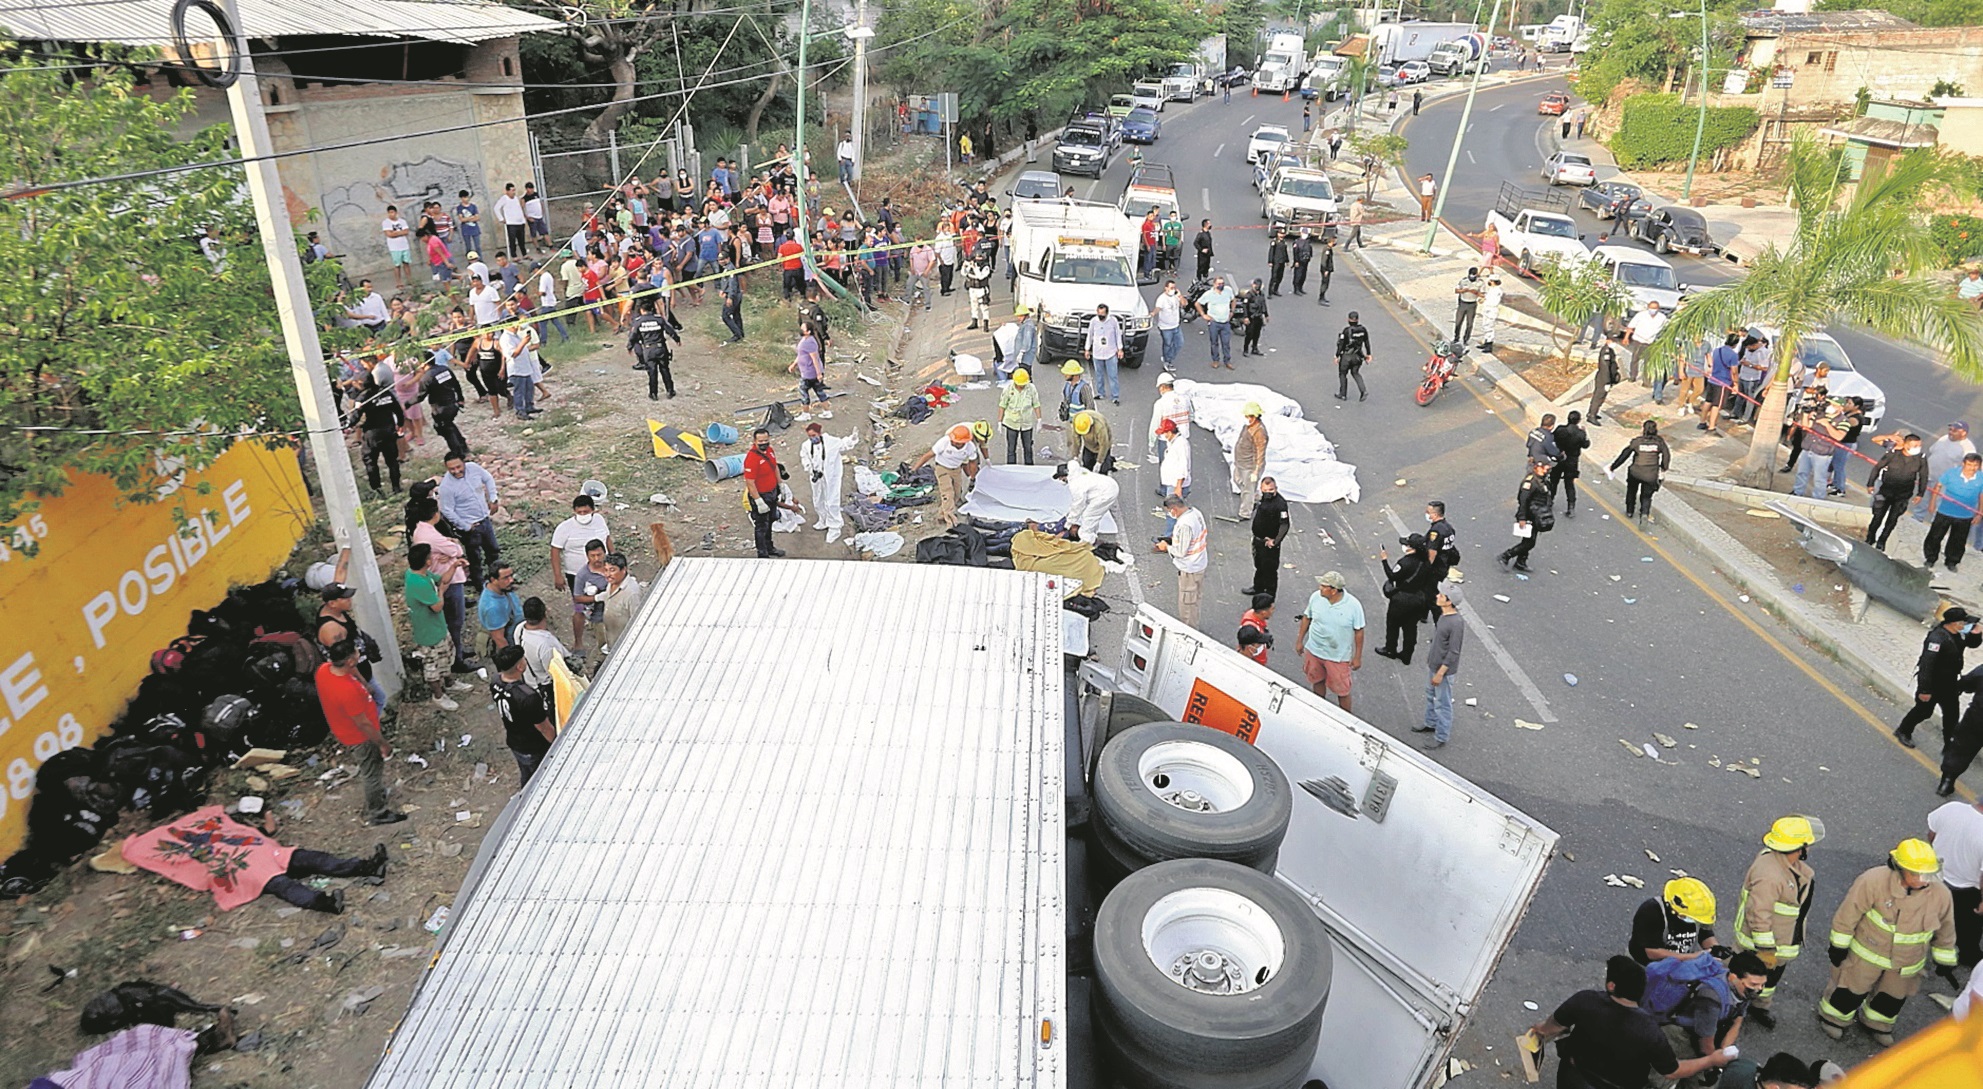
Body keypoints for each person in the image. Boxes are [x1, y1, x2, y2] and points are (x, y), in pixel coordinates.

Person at [1818, 839, 1959, 1047]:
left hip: (1906, 964)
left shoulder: (1940, 894)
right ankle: (1833, 1018)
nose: (1924, 880)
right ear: (1899, 868)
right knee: (1849, 990)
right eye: (1917, 874)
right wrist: (1839, 944)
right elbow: (1848, 914)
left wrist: (1944, 958)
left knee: (1890, 999)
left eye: (1927, 874)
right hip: (1866, 955)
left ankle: (1877, 1025)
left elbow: (1945, 929)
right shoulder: (1872, 881)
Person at [1527, 957, 1732, 1088]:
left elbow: (1551, 1027)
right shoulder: (1650, 1031)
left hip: (1575, 1078)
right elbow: (1672, 1071)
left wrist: (1539, 1030)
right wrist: (1711, 1061)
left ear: (1611, 985)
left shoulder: (1586, 1000)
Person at [1731, 816, 1823, 1030]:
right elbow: (1758, 915)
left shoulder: (1781, 864)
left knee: (1768, 982)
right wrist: (1766, 949)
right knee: (1748, 980)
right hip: (1761, 948)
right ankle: (1734, 1011)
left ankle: (1759, 1006)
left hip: (1778, 945)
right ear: (1799, 847)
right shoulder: (1770, 876)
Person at [314, 641, 405, 826]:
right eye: (355, 652)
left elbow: (351, 674)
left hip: (342, 727)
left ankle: (377, 798)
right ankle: (377, 811)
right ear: (349, 661)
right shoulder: (348, 691)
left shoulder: (324, 670)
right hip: (360, 736)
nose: (358, 653)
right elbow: (363, 724)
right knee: (371, 771)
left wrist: (363, 683)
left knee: (370, 769)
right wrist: (382, 743)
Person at [1653, 951, 1772, 1089]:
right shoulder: (1710, 997)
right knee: (1667, 1076)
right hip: (1680, 1036)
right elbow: (1705, 1042)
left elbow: (1737, 1022)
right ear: (1733, 978)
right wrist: (1714, 1062)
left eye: (1762, 985)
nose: (1759, 990)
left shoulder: (1742, 991)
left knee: (1698, 1076)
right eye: (1754, 984)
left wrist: (1723, 1051)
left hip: (1703, 1033)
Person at [1895, 605, 1982, 749]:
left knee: (1952, 715)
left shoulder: (1958, 633)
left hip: (1950, 684)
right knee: (1923, 712)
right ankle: (1903, 730)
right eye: (1963, 623)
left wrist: (1976, 633)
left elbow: (1972, 644)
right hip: (1933, 684)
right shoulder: (1936, 639)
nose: (1965, 625)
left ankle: (1950, 742)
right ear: (1954, 623)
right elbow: (1926, 666)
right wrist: (1924, 690)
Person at [1297, 571, 1365, 714]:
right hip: (1314, 650)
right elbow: (1307, 617)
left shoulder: (1353, 606)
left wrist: (1357, 657)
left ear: (1333, 591)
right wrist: (1300, 640)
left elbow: (1359, 631)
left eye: (1324, 586)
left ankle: (1346, 718)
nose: (1320, 588)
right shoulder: (1316, 597)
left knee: (1342, 690)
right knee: (1317, 680)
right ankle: (1319, 710)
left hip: (1337, 656)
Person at [1927, 797, 1983, 967]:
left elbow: (1932, 834)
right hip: (1966, 890)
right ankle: (1968, 955)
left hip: (1934, 878)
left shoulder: (1951, 808)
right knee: (1968, 930)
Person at [490, 644, 555, 786]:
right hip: (533, 746)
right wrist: (556, 744)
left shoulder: (495, 682)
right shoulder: (528, 697)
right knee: (539, 778)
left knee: (526, 774)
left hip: (514, 741)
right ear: (520, 667)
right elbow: (543, 727)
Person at [1414, 584, 1464, 749]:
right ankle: (1430, 723)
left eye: (1442, 596)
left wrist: (1440, 673)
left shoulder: (1455, 623)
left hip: (1442, 670)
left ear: (1449, 602)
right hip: (1434, 665)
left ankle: (1441, 736)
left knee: (1443, 703)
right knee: (1430, 695)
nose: (1437, 596)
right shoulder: (1443, 616)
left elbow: (1453, 652)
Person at [1375, 535, 1438, 665]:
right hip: (1418, 599)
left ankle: (1390, 649)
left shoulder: (1405, 562)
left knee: (1393, 625)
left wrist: (1384, 560)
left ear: (1412, 548)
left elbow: (1392, 575)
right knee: (1410, 627)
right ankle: (1407, 654)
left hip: (1401, 599)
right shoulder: (1426, 562)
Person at [911, 424, 983, 531]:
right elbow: (928, 455)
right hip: (942, 468)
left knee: (956, 494)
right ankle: (951, 521)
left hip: (956, 469)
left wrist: (973, 477)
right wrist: (914, 469)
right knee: (947, 493)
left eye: (956, 442)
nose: (953, 442)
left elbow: (973, 463)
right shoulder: (944, 442)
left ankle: (942, 514)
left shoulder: (970, 447)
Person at [1631, 878, 1719, 964]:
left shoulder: (1696, 911)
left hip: (1682, 963)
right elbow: (1652, 952)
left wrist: (1716, 950)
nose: (1692, 921)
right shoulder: (1651, 911)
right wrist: (1694, 957)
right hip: (1647, 965)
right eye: (1688, 917)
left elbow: (1705, 935)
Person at [1866, 433, 1928, 550]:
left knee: (1892, 520)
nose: (1918, 448)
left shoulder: (1921, 458)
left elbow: (1923, 476)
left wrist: (1920, 494)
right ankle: (1870, 537)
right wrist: (1870, 484)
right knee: (1877, 517)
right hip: (1886, 491)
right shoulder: (1893, 454)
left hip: (1903, 495)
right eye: (1915, 445)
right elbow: (1877, 467)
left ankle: (1882, 541)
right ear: (1905, 445)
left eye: (1919, 445)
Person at [1156, 494, 1209, 627]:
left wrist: (1166, 547)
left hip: (1189, 568)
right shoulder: (1196, 512)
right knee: (1195, 601)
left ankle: (1189, 633)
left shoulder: (1185, 524)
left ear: (1173, 509)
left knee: (1187, 606)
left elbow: (1180, 552)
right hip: (1199, 563)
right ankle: (1194, 625)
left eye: (1169, 512)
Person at [799, 422, 857, 544]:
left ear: (819, 433)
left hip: (831, 477)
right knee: (817, 499)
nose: (812, 438)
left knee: (832, 501)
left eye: (814, 435)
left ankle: (835, 527)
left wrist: (852, 438)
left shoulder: (831, 442)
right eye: (810, 436)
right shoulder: (806, 445)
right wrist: (809, 468)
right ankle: (823, 519)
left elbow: (844, 445)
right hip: (816, 476)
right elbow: (804, 457)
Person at [1926, 453, 1983, 571]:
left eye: (1975, 465)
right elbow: (1938, 486)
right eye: (1969, 464)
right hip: (1945, 512)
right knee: (1934, 536)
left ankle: (1951, 561)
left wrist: (1979, 513)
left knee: (1958, 541)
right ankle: (1930, 558)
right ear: (1963, 463)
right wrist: (1932, 503)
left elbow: (1981, 496)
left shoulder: (1981, 478)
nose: (1972, 468)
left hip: (1965, 516)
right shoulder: (1951, 473)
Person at [743, 429, 795, 557]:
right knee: (761, 526)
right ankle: (762, 554)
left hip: (772, 492)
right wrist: (758, 500)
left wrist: (781, 484)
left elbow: (775, 467)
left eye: (766, 440)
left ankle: (770, 547)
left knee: (771, 521)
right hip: (761, 496)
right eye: (760, 441)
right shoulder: (752, 458)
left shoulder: (770, 451)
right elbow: (750, 482)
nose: (764, 443)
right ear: (754, 441)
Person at [1610, 420, 1671, 526]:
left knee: (1631, 491)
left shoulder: (1637, 442)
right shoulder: (1659, 442)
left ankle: (1629, 511)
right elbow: (1667, 456)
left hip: (1635, 472)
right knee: (1646, 496)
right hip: (1651, 474)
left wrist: (1613, 466)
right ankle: (1644, 513)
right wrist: (1663, 468)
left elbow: (1625, 455)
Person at [1498, 459, 1555, 573]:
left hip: (1537, 515)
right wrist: (1522, 518)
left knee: (1528, 539)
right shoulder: (1530, 483)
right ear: (1537, 467)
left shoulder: (1542, 480)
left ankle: (1521, 561)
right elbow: (1523, 501)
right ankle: (1506, 555)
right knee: (1529, 542)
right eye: (1544, 467)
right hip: (1529, 516)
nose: (1547, 470)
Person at [548, 494, 613, 593]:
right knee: (581, 602)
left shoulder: (599, 520)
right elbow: (555, 551)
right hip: (576, 574)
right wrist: (558, 576)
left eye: (585, 512)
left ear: (593, 510)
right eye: (579, 512)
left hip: (602, 571)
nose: (582, 515)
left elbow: (607, 539)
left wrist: (614, 560)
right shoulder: (564, 528)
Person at [626, 298, 683, 401]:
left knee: (652, 372)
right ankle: (670, 391)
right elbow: (670, 330)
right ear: (652, 309)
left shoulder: (638, 322)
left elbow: (633, 336)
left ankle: (653, 393)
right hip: (661, 348)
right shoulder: (659, 319)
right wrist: (677, 339)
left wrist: (629, 347)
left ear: (641, 310)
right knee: (665, 369)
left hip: (648, 350)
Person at [1244, 477, 1290, 598]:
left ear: (1276, 488)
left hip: (1269, 543)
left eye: (1271, 489)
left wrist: (1275, 541)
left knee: (1270, 569)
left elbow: (1284, 525)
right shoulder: (1262, 499)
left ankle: (1269, 595)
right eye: (1265, 490)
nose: (1268, 492)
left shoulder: (1280, 504)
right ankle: (1258, 587)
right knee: (1259, 566)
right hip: (1258, 540)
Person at [1057, 460, 1120, 545]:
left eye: (1061, 477)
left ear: (1066, 474)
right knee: (1092, 514)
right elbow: (1080, 504)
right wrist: (1070, 517)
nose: (1061, 480)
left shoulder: (1076, 485)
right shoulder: (1080, 474)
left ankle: (1086, 543)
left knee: (1088, 516)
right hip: (1109, 487)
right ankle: (1093, 535)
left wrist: (1069, 523)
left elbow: (1078, 505)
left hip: (1106, 493)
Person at [598, 552, 644, 652]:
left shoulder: (632, 593)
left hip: (625, 650)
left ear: (623, 570)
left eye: (612, 570)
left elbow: (637, 624)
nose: (608, 574)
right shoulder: (612, 583)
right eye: (605, 570)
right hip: (612, 642)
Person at [1550, 411, 1590, 518]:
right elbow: (1586, 445)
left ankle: (1549, 501)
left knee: (1553, 481)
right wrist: (1585, 434)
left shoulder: (1560, 429)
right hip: (1572, 462)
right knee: (1569, 484)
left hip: (1559, 459)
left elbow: (1552, 439)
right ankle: (1571, 507)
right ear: (1578, 421)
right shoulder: (1580, 434)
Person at [998, 367, 1042, 465]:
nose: (1021, 386)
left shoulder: (1031, 388)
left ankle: (1029, 469)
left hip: (1026, 423)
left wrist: (1039, 420)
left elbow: (1036, 404)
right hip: (1011, 423)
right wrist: (999, 422)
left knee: (1028, 448)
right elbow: (1002, 405)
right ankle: (1011, 470)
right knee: (1011, 449)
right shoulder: (1008, 389)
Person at [478, 563, 524, 654]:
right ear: (493, 580)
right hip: (512, 638)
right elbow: (499, 639)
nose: (511, 580)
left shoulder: (503, 588)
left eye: (511, 575)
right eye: (506, 578)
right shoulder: (492, 607)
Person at [1233, 403, 1269, 517]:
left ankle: (1245, 512)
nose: (1248, 419)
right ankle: (1256, 497)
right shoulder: (1248, 427)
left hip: (1250, 466)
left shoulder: (1259, 432)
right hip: (1241, 463)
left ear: (1256, 416)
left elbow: (1260, 452)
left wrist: (1256, 471)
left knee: (1247, 490)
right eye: (1247, 416)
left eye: (1251, 416)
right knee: (1237, 480)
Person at [1085, 304, 1124, 403]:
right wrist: (1087, 349)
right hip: (1097, 352)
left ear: (1107, 313)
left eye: (1103, 313)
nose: (1101, 315)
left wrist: (1120, 349)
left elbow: (1117, 335)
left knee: (1113, 375)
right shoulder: (1094, 321)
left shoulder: (1113, 321)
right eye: (1099, 313)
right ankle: (1101, 393)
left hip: (1110, 352)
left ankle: (1115, 396)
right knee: (1099, 374)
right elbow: (1090, 335)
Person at [1625, 300, 1669, 383]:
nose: (1653, 310)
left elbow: (1665, 329)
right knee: (1635, 359)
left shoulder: (1662, 318)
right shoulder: (1641, 315)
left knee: (1648, 362)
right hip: (1639, 340)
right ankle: (1633, 376)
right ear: (1648, 307)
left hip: (1651, 343)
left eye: (1655, 308)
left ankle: (1646, 380)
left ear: (1658, 309)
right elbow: (1631, 327)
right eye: (1651, 308)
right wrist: (1626, 337)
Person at [1197, 276, 1236, 369]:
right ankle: (1215, 360)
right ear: (1214, 284)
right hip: (1214, 322)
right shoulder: (1209, 294)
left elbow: (1233, 300)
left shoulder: (1228, 291)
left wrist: (1232, 311)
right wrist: (1203, 315)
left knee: (1226, 343)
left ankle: (1227, 361)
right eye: (1219, 284)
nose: (1221, 285)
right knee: (1214, 342)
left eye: (1222, 283)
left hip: (1225, 322)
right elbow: (1197, 304)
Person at [1334, 311, 1372, 401]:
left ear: (1348, 320)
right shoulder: (1363, 330)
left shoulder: (1346, 331)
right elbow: (1367, 342)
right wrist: (1368, 354)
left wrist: (1337, 355)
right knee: (1355, 373)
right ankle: (1363, 391)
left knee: (1343, 374)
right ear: (1358, 320)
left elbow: (1341, 344)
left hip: (1346, 357)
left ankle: (1343, 394)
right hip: (1358, 357)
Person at [1587, 330, 1624, 425]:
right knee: (1599, 397)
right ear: (1607, 340)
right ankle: (1592, 415)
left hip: (1606, 378)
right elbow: (1605, 369)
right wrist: (1607, 382)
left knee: (1600, 397)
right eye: (1613, 341)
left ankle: (1592, 412)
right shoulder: (1606, 352)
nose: (1615, 343)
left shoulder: (1610, 350)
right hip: (1603, 379)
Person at [1236, 594, 1275, 665]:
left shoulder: (1251, 613)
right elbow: (1246, 653)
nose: (1273, 611)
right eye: (1272, 609)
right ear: (1263, 613)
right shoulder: (1252, 631)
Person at [1153, 281, 1185, 369]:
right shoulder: (1161, 298)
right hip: (1165, 327)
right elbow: (1158, 308)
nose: (1172, 290)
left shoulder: (1176, 297)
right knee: (1168, 344)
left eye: (1174, 288)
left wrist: (1180, 296)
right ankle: (1167, 361)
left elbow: (1184, 303)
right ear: (1166, 288)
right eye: (1171, 288)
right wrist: (1153, 313)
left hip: (1176, 325)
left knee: (1179, 343)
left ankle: (1168, 357)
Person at [380, 204, 412, 290]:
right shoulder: (386, 222)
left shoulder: (402, 221)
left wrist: (395, 233)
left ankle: (410, 280)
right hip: (394, 247)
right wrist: (399, 232)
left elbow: (406, 231)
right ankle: (399, 282)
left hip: (404, 245)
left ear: (396, 212)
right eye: (389, 213)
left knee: (406, 263)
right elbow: (389, 234)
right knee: (397, 265)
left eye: (393, 212)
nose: (391, 214)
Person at [1073, 409, 1114, 474]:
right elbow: (1076, 439)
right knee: (1087, 464)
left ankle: (1108, 464)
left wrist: (1099, 462)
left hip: (1102, 445)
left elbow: (1104, 445)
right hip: (1089, 445)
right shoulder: (1077, 420)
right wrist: (1075, 455)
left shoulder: (1100, 427)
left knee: (1103, 469)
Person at [1452, 267, 1483, 345]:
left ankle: (1466, 339)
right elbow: (1456, 290)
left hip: (1472, 304)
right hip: (1463, 303)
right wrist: (1463, 291)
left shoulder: (1480, 283)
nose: (1472, 276)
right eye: (1471, 274)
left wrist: (1476, 293)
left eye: (1474, 274)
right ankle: (1456, 337)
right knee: (1458, 322)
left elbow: (1483, 294)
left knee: (1469, 324)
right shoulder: (1463, 281)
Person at [1237, 279, 1269, 357]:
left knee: (1257, 334)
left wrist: (1266, 315)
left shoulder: (1261, 294)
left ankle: (1254, 348)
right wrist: (1246, 317)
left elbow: (1263, 304)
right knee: (1249, 334)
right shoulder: (1249, 295)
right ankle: (1245, 349)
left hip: (1259, 316)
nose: (1258, 287)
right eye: (1256, 285)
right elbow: (1245, 306)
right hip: (1251, 317)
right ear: (1253, 285)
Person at [963, 248, 993, 330]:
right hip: (972, 288)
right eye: (977, 257)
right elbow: (964, 273)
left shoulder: (986, 267)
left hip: (981, 289)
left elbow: (980, 276)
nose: (978, 259)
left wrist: (975, 268)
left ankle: (986, 323)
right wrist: (965, 265)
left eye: (980, 257)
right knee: (973, 305)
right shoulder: (972, 264)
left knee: (984, 306)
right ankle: (974, 321)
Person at [1289, 229, 1314, 296]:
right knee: (1298, 275)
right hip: (1299, 261)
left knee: (1303, 275)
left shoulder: (1307, 242)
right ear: (1301, 233)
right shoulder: (1297, 242)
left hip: (1305, 261)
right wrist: (1296, 261)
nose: (1305, 235)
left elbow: (1310, 250)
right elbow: (1295, 252)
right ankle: (1296, 289)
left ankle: (1300, 288)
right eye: (1304, 233)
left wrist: (1310, 257)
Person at [1266, 229, 1289, 296]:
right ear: (1277, 234)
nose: (1281, 235)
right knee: (1274, 277)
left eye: (1283, 234)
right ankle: (1270, 292)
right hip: (1276, 262)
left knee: (1280, 277)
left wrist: (1287, 260)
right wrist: (1270, 261)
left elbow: (1285, 252)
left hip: (1282, 262)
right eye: (1280, 234)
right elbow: (1271, 252)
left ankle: (1275, 290)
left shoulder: (1284, 242)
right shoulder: (1274, 242)